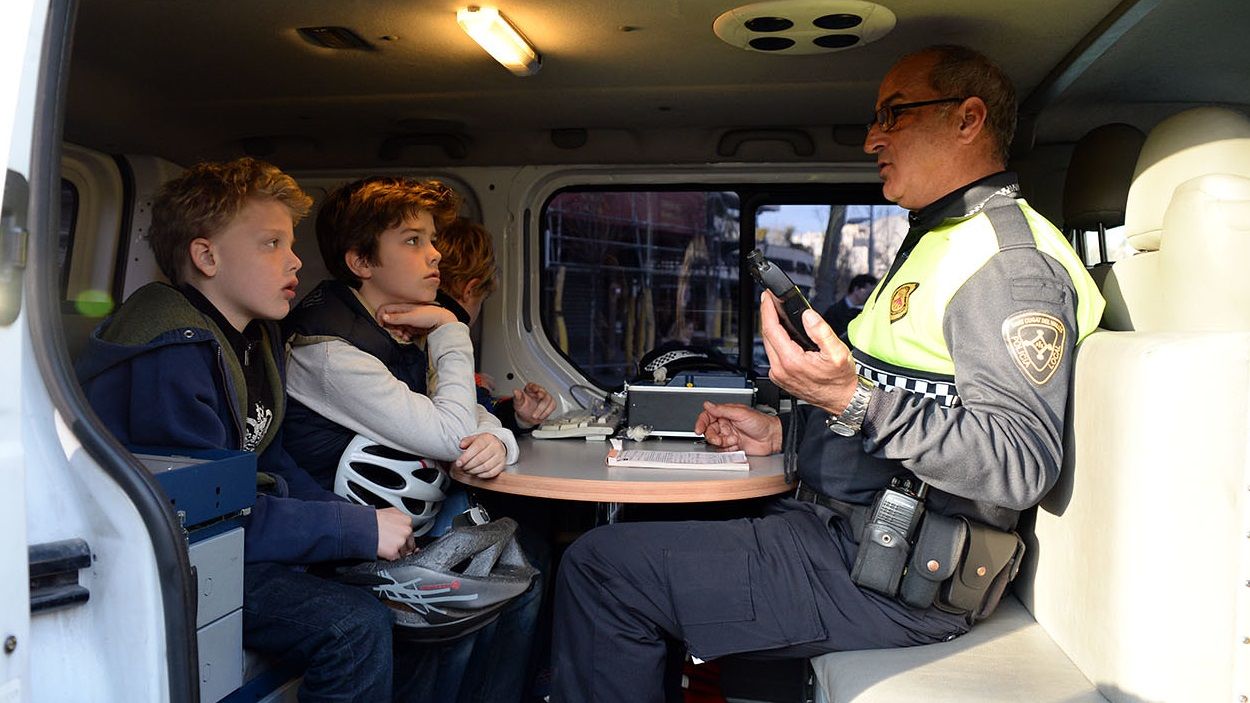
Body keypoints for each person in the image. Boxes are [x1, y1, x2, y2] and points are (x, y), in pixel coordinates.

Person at [549, 44, 1106, 702]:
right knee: (630, 539)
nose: (872, 137)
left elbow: (1019, 460)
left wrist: (853, 397)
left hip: (896, 578)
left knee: (599, 568)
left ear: (967, 118)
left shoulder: (1008, 266)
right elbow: (912, 401)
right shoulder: (938, 240)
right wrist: (782, 433)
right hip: (846, 536)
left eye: (893, 114)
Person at [75, 158, 431, 701]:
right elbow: (197, 515)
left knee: (400, 592)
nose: (294, 261)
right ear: (207, 256)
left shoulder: (253, 338)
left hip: (227, 535)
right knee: (355, 627)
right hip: (172, 555)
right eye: (270, 244)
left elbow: (270, 458)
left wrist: (357, 525)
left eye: (290, 244)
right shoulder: (171, 353)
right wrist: (353, 532)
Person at [281, 176, 539, 702]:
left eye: (432, 239)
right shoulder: (329, 351)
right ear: (361, 262)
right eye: (413, 240)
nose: (435, 254)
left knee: (522, 572)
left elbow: (464, 417)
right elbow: (452, 430)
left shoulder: (397, 326)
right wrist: (450, 329)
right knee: (474, 602)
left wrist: (502, 442)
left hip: (410, 522)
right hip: (341, 546)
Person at [435, 216, 556, 432]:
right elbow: (467, 420)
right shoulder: (447, 334)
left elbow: (478, 409)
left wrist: (519, 416)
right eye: (481, 302)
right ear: (469, 289)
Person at [821, 273, 877, 339]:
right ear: (856, 289)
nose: (870, 296)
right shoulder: (834, 311)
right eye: (868, 293)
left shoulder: (868, 314)